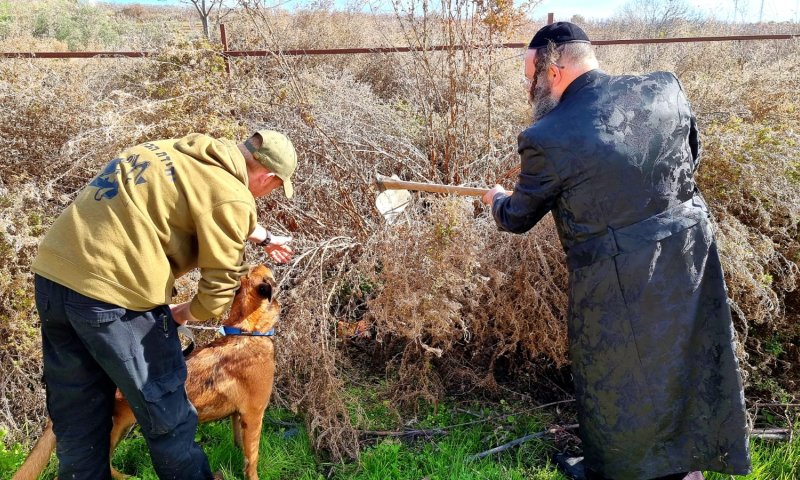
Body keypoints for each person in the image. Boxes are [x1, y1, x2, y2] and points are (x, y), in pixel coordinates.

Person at [481, 22, 751, 480]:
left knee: (619, 381)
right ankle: (686, 467)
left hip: (614, 278)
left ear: (555, 67)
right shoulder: (664, 87)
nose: (529, 87)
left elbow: (517, 217)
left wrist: (495, 199)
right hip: (688, 253)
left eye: (531, 75)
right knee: (684, 358)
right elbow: (690, 157)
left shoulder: (547, 136)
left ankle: (619, 471)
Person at [31, 129, 297, 479]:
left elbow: (202, 202)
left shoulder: (170, 150)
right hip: (113, 296)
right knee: (170, 414)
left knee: (78, 411)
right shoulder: (233, 196)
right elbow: (219, 289)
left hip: (53, 278)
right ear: (268, 176)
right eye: (275, 188)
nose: (267, 194)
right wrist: (182, 314)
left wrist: (263, 237)